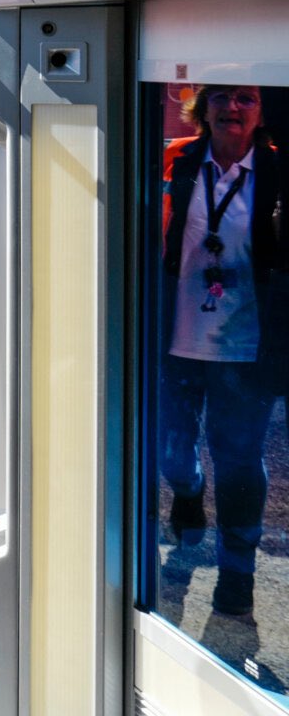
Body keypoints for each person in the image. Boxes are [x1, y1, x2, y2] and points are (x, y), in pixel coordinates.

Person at [158, 84, 285, 616]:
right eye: (222, 98)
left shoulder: (280, 172)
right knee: (170, 451)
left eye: (247, 99)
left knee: (238, 461)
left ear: (263, 110)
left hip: (247, 345)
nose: (233, 109)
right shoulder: (175, 159)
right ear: (203, 106)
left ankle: (238, 571)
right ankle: (188, 494)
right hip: (176, 339)